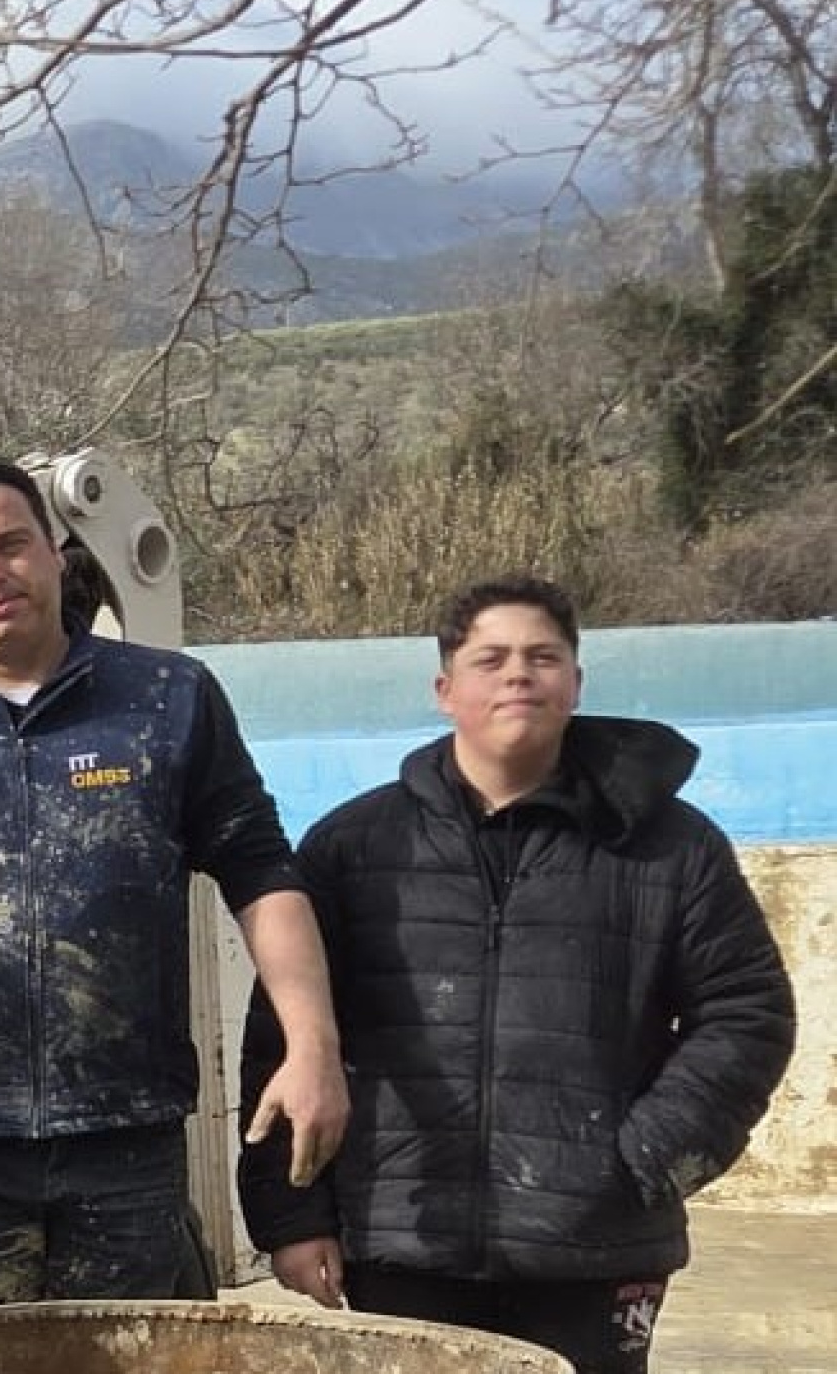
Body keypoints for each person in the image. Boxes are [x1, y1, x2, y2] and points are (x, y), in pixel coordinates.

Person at [238, 576, 795, 1374]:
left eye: (543, 657)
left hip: (595, 1250)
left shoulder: (672, 847)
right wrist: (293, 1218)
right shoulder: (353, 848)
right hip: (404, 1241)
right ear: (445, 690)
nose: (518, 676)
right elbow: (284, 1043)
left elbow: (748, 1011)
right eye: (490, 659)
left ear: (576, 683)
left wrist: (646, 1158)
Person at [0, 453, 347, 1310]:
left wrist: (312, 1047)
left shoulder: (168, 699)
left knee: (130, 1358)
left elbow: (261, 874)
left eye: (11, 544)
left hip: (127, 1139)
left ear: (54, 553)